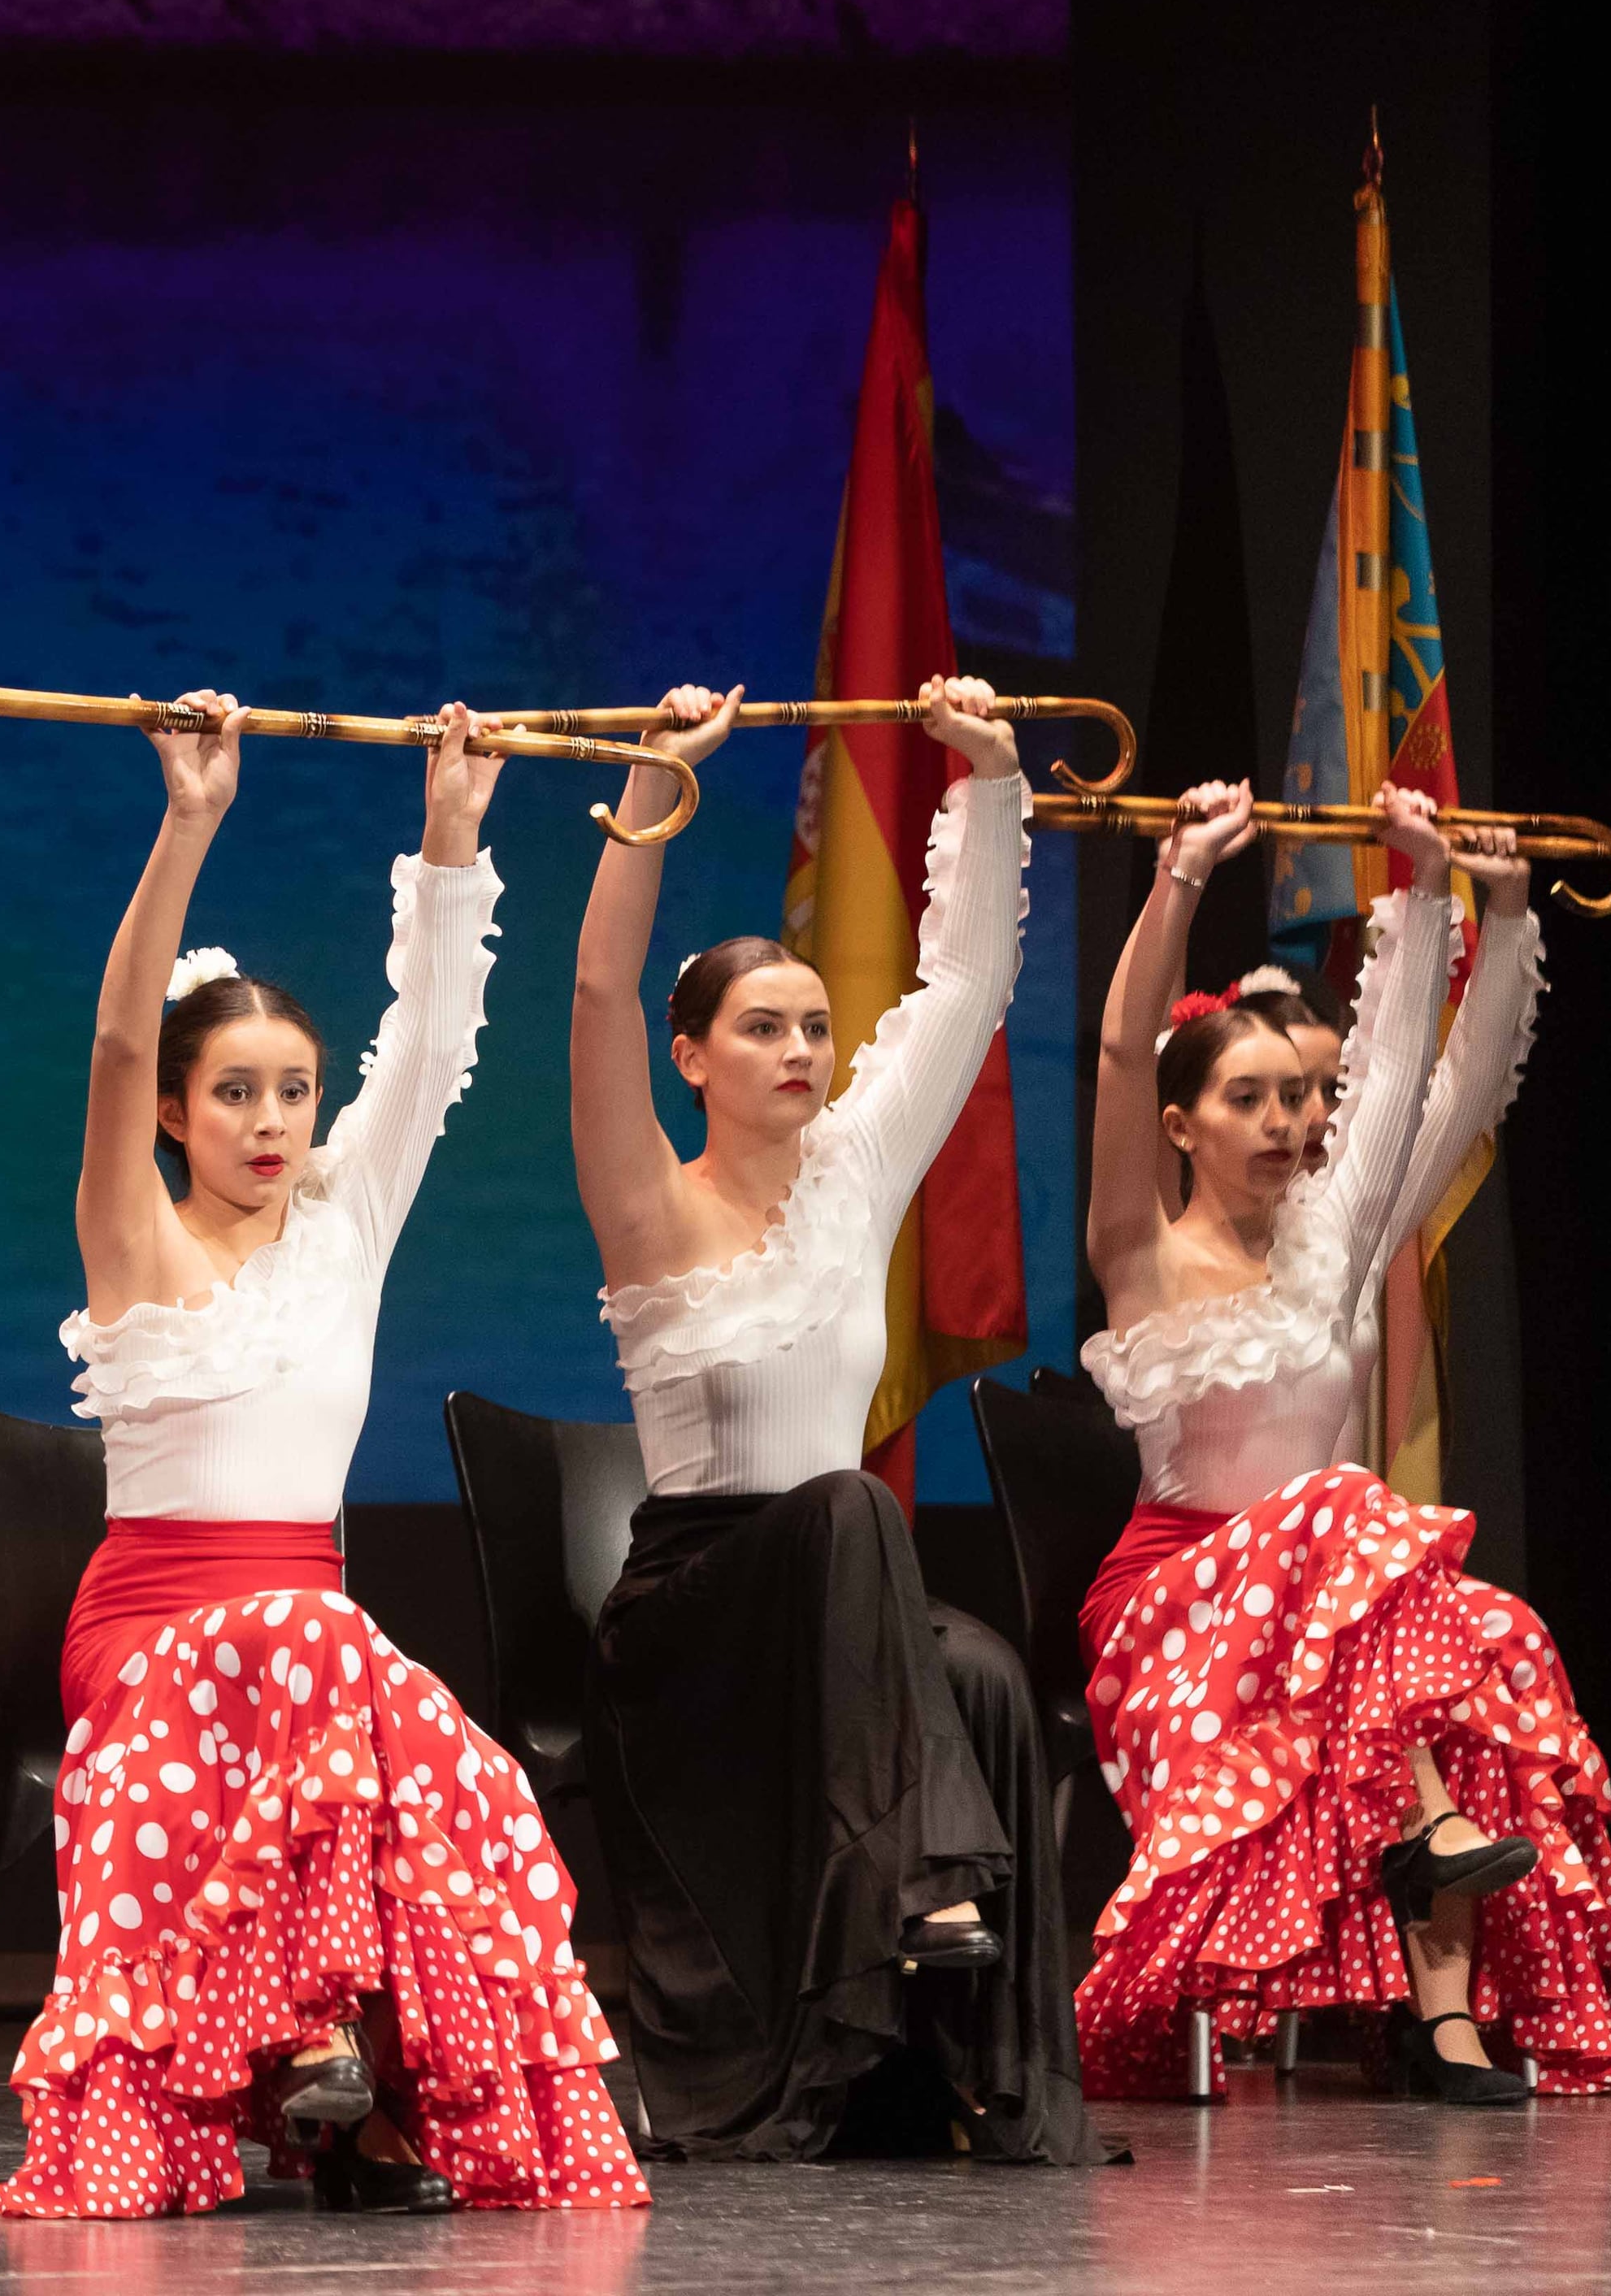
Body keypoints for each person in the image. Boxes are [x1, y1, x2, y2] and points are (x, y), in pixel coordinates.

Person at [0, 698, 647, 2221]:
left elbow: (430, 1045)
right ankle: (322, 2057)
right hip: (153, 1641)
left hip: (312, 1657)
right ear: (172, 1111)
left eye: (292, 1090)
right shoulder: (134, 1239)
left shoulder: (349, 1228)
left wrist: (455, 829)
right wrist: (191, 821)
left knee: (448, 1754)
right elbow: (113, 1031)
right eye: (232, 1092)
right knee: (319, 1644)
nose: (273, 1120)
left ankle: (358, 2078)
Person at [567, 680, 1096, 2162]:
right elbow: (601, 997)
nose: (801, 1048)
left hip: (836, 1602)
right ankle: (916, 1889)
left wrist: (989, 783)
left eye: (813, 1025)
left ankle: (971, 2071)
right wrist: (656, 792)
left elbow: (966, 989)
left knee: (987, 1669)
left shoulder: (855, 1177)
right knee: (855, 1504)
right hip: (698, 1607)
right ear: (695, 1059)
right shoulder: (649, 1203)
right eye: (761, 1027)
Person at [1070, 783, 1611, 2099]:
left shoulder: (1330, 1247)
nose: (1289, 1121)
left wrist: (1477, 906)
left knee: (1496, 1635)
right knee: (1342, 1503)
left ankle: (1443, 2017)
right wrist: (1177, 880)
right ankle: (1429, 1830)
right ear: (1182, 1125)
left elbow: (1420, 1084)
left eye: (1297, 1098)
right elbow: (1118, 1054)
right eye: (1249, 1099)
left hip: (1329, 1625)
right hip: (1177, 1612)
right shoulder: (1139, 1253)